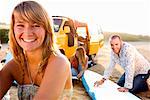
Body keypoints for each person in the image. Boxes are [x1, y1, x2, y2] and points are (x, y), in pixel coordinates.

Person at [0, 1, 72, 100]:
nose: (28, 33)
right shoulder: (14, 65)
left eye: (36, 25)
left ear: (47, 29)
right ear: (13, 30)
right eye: (20, 25)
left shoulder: (59, 63)